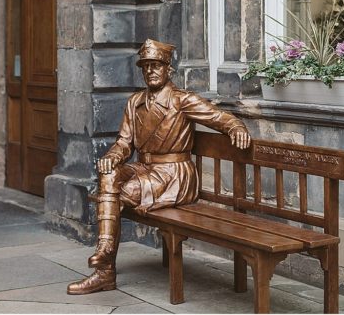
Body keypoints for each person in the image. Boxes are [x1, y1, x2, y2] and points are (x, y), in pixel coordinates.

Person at [67, 39, 251, 295]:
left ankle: (104, 269)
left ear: (168, 69)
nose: (150, 71)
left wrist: (236, 127)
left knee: (118, 193)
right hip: (145, 168)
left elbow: (219, 117)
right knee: (109, 173)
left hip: (174, 175)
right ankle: (105, 252)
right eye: (146, 66)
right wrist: (113, 156)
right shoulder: (135, 102)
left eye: (156, 65)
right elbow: (124, 142)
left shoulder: (182, 100)